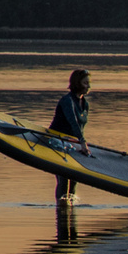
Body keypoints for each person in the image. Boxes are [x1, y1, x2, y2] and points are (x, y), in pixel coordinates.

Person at [50, 69, 92, 205]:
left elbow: (80, 128)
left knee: (75, 177)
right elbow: (72, 122)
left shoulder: (84, 103)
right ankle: (61, 209)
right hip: (56, 141)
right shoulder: (67, 100)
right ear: (77, 83)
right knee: (64, 177)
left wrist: (81, 145)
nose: (89, 86)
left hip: (72, 143)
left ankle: (70, 207)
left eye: (89, 83)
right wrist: (83, 142)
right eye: (85, 83)